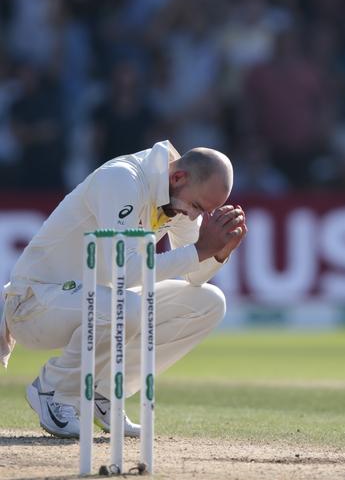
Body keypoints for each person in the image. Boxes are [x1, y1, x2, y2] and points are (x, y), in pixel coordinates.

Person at [0, 140, 247, 438]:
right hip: (34, 304)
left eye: (202, 212)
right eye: (195, 207)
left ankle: (102, 392)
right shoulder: (122, 179)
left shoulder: (177, 198)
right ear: (178, 177)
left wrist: (217, 252)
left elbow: (194, 278)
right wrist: (198, 250)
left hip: (97, 303)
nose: (194, 217)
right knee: (125, 306)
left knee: (208, 302)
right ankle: (53, 392)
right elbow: (125, 272)